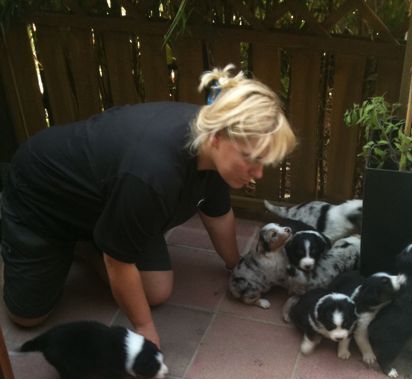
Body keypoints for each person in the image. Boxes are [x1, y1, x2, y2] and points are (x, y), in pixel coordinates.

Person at [1, 64, 296, 348]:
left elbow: (217, 214)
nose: (258, 173)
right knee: (28, 317)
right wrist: (144, 329)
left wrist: (237, 266)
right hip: (43, 199)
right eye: (251, 158)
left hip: (109, 201)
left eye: (264, 161)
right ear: (217, 137)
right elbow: (119, 261)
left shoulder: (214, 152)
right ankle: (67, 242)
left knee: (156, 290)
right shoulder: (153, 174)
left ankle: (90, 244)